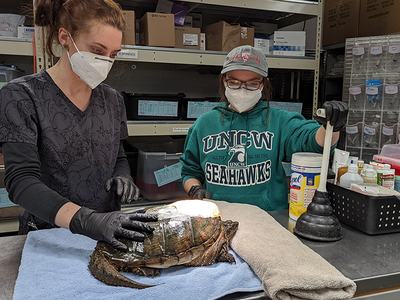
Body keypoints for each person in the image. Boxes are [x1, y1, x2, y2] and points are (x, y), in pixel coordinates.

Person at [0, 0, 156, 250]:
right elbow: (21, 182)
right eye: (97, 50)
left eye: (113, 55)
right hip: (49, 235)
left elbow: (117, 156)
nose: (105, 61)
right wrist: (88, 220)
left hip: (108, 233)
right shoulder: (22, 97)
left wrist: (122, 174)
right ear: (65, 37)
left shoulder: (113, 100)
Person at [181, 45, 348, 211]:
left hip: (269, 219)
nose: (242, 90)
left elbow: (313, 142)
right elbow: (190, 172)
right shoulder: (205, 124)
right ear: (224, 81)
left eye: (252, 84)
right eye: (234, 83)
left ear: (263, 84)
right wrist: (195, 190)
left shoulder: (280, 121)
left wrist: (332, 125)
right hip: (218, 218)